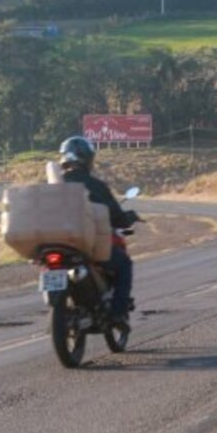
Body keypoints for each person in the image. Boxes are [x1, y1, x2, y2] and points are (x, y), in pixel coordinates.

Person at [58, 136, 138, 324]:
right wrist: (129, 218)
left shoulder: (54, 185)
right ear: (87, 159)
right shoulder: (95, 186)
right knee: (124, 265)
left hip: (56, 244)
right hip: (88, 245)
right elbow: (117, 216)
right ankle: (118, 312)